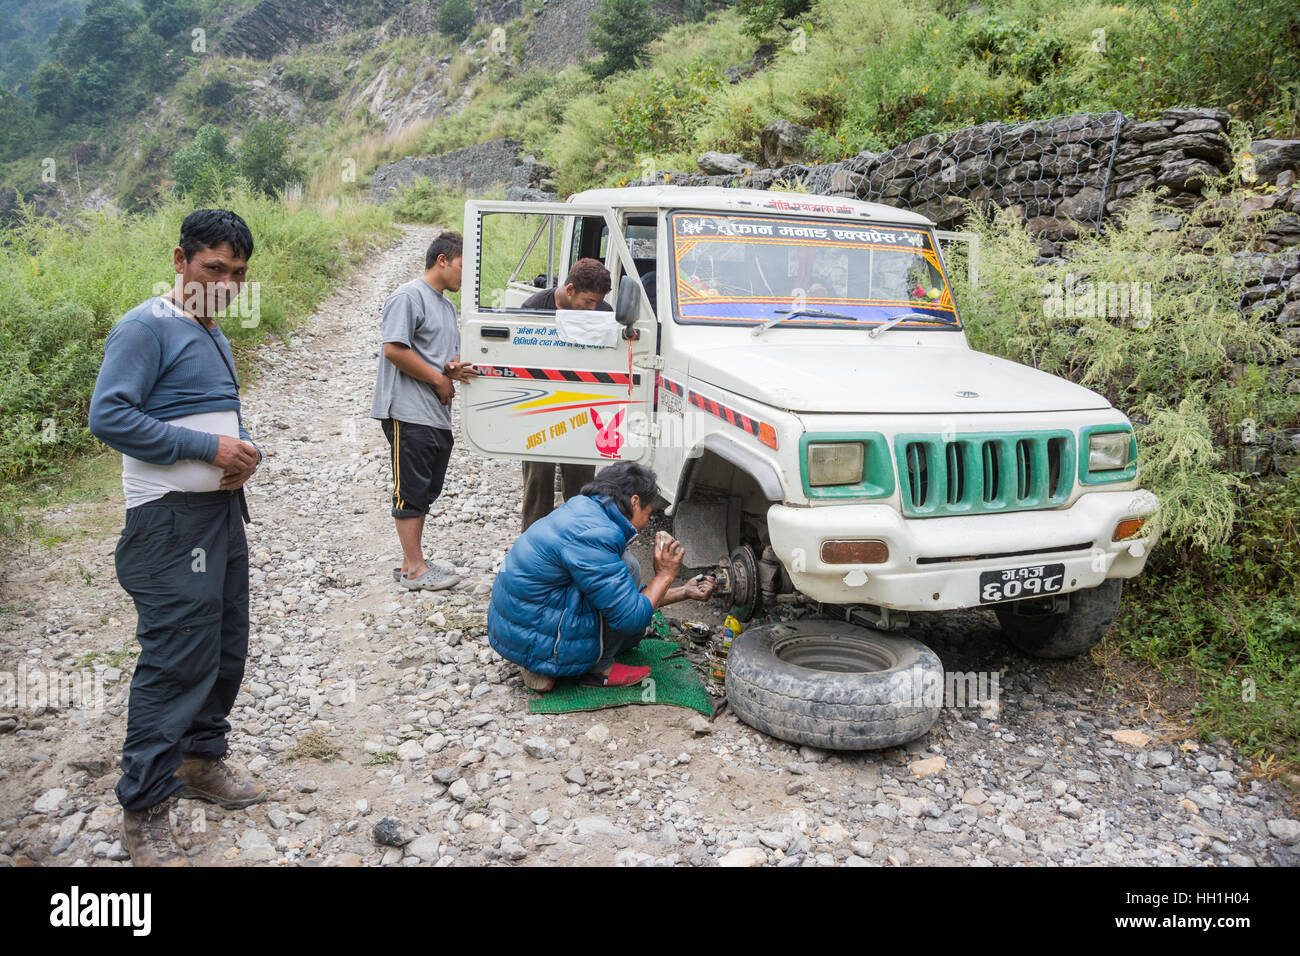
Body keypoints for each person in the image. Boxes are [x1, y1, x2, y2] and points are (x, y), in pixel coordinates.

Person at [88, 209, 266, 867]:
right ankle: (145, 808)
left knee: (224, 646)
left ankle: (200, 761)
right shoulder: (145, 325)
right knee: (173, 664)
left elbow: (211, 420)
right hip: (168, 524)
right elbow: (108, 414)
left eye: (238, 273)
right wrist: (208, 447)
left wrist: (240, 454)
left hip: (219, 516)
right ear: (181, 261)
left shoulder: (210, 329)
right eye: (214, 268)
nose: (226, 283)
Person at [488, 461, 715, 690]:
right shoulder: (596, 534)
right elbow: (629, 616)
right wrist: (664, 575)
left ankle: (540, 659)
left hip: (521, 625)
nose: (646, 523)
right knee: (629, 568)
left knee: (629, 610)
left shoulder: (584, 508)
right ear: (634, 501)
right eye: (647, 514)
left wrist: (683, 591)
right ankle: (598, 671)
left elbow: (621, 598)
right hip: (528, 634)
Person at [370, 230, 478, 590]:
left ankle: (410, 563)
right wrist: (437, 380)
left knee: (427, 487)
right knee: (410, 489)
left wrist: (450, 371)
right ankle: (415, 570)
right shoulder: (408, 296)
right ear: (442, 260)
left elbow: (435, 357)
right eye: (464, 265)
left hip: (434, 413)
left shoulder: (445, 305)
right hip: (408, 409)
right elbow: (395, 350)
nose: (467, 275)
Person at [519, 258, 613, 531]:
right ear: (570, 290)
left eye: (597, 302)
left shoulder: (603, 312)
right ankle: (533, 543)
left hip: (582, 410)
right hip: (539, 409)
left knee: (583, 488)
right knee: (538, 481)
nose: (593, 308)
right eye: (588, 301)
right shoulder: (534, 307)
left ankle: (581, 542)